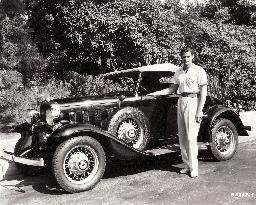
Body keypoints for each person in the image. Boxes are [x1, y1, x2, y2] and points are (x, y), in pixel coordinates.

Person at [150, 47, 208, 178]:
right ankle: (187, 165)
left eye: (188, 56)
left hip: (193, 101)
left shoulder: (199, 70)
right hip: (181, 100)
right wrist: (154, 94)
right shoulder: (178, 72)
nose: (186, 59)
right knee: (182, 136)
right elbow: (171, 89)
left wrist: (199, 110)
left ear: (193, 56)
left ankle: (194, 168)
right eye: (183, 57)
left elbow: (203, 92)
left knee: (191, 137)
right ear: (181, 57)